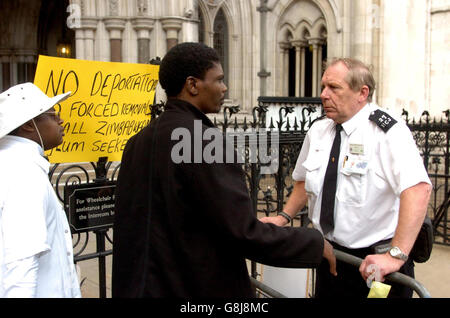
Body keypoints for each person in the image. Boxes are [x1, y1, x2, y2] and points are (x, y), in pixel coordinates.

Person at [112, 42, 336, 298]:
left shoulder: (138, 141)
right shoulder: (202, 140)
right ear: (193, 85)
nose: (224, 87)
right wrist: (313, 244)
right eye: (218, 79)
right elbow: (242, 231)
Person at [261, 58, 432, 298]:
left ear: (362, 93)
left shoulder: (387, 133)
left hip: (375, 266)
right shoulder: (319, 130)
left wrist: (395, 255)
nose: (323, 94)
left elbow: (418, 189)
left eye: (334, 87)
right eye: (323, 87)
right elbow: (304, 181)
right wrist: (283, 216)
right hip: (330, 256)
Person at [0, 83, 81, 298]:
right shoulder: (23, 172)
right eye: (53, 114)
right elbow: (21, 264)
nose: (60, 120)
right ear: (29, 124)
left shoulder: (15, 163)